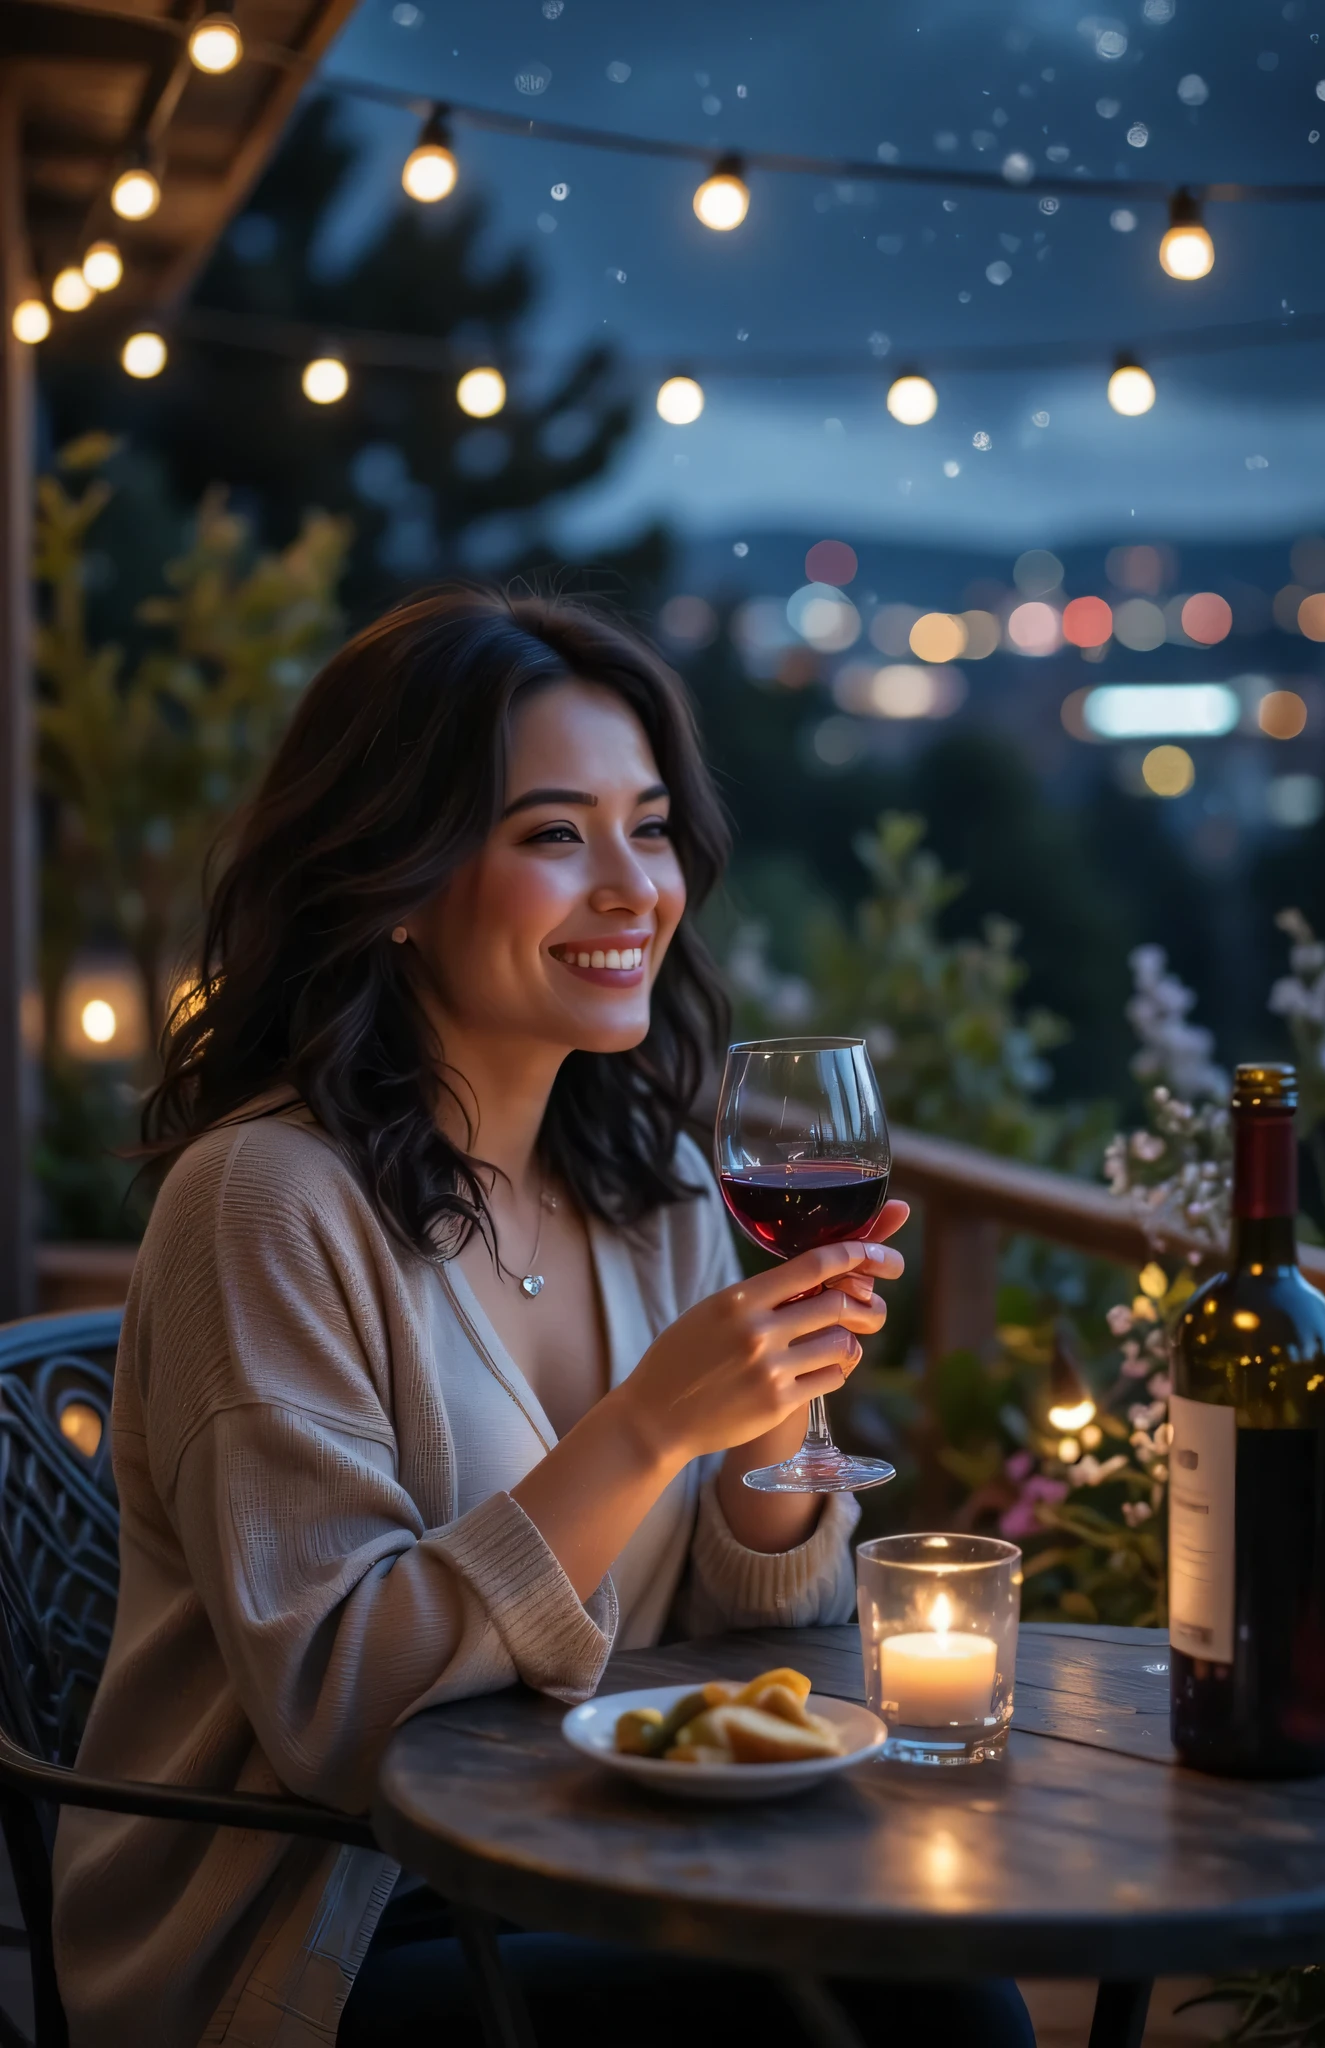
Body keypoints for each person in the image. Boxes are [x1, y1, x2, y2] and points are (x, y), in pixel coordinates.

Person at [51, 588, 1033, 2048]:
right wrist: (646, 1431)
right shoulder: (265, 1201)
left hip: (590, 1847)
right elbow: (339, 1719)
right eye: (554, 836)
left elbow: (754, 1629)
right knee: (923, 2015)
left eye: (649, 826)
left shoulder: (658, 1186)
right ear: (395, 879)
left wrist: (768, 1423)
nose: (632, 887)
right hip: (322, 1927)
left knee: (941, 1968)